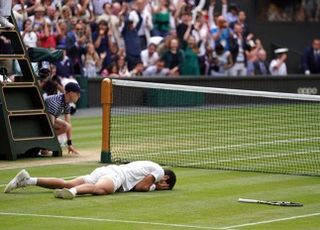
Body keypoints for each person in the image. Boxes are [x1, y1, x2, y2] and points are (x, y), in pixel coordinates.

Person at [4, 160, 177, 199]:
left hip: (105, 170)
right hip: (115, 176)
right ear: (166, 178)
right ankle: (72, 192)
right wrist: (155, 187)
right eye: (164, 185)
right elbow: (141, 187)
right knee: (102, 190)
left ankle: (28, 180)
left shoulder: (148, 165)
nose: (161, 184)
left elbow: (139, 183)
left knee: (67, 181)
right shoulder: (159, 171)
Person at [44, 82, 81, 155]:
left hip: (47, 120)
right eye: (77, 93)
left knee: (67, 126)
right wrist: (51, 145)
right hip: (39, 121)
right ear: (70, 93)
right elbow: (50, 126)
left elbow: (68, 124)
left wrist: (69, 144)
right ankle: (44, 146)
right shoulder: (55, 103)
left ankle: (45, 146)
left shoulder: (66, 103)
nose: (79, 96)